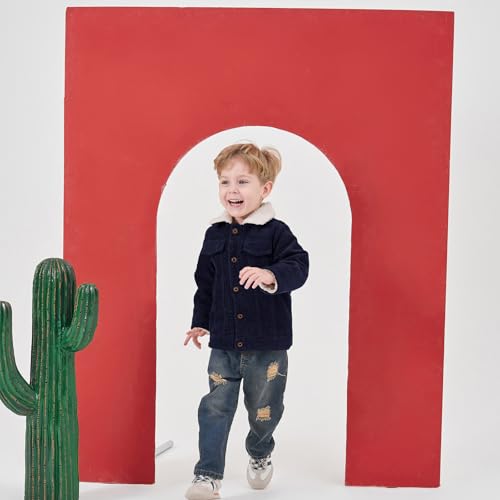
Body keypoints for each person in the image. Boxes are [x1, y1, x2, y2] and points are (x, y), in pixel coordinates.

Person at [184, 142, 309, 500]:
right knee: (214, 407)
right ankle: (207, 475)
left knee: (263, 411)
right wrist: (200, 321)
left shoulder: (277, 232)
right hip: (223, 344)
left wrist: (271, 275)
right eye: (225, 182)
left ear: (264, 189)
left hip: (267, 347)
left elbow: (299, 265)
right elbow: (205, 283)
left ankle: (260, 451)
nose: (232, 190)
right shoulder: (214, 234)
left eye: (242, 182)